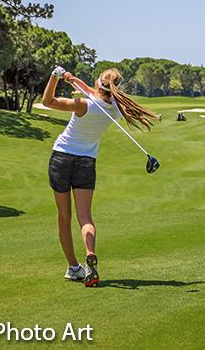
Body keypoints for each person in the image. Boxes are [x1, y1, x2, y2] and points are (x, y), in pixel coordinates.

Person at [42, 66, 157, 287]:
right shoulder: (114, 108)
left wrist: (54, 77)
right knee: (85, 217)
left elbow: (49, 101)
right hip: (86, 162)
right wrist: (74, 80)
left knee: (64, 217)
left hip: (62, 158)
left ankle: (74, 267)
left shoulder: (81, 104)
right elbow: (95, 95)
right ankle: (90, 253)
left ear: (98, 84)